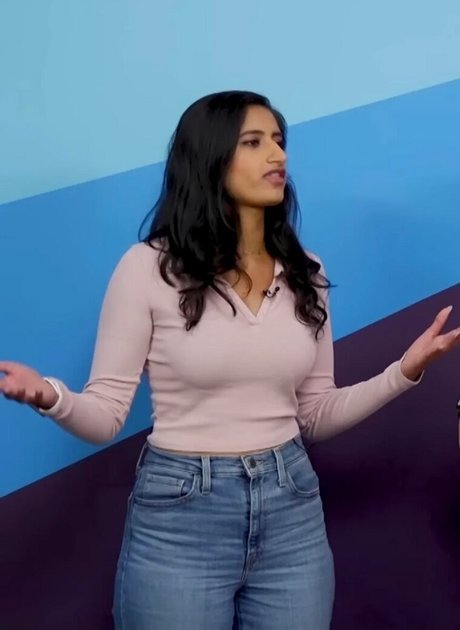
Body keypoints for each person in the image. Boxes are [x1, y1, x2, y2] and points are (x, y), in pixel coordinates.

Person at [1, 90, 459, 630]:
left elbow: (313, 415)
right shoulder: (147, 268)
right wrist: (50, 396)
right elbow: (104, 416)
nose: (278, 155)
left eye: (279, 141)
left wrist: (403, 373)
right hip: (180, 516)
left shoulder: (307, 272)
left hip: (293, 510)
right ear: (211, 158)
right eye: (254, 142)